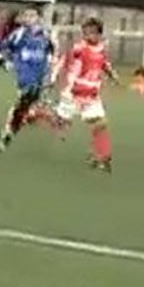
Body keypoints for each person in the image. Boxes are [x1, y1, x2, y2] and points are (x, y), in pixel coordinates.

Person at [52, 17, 120, 172]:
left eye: (92, 33)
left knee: (100, 124)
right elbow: (63, 61)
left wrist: (112, 75)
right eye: (86, 32)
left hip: (91, 94)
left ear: (98, 34)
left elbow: (103, 63)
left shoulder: (101, 49)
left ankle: (102, 157)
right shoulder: (79, 49)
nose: (88, 36)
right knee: (61, 122)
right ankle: (34, 115)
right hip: (73, 93)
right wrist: (53, 77)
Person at [0, 7, 57, 152]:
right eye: (27, 16)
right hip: (24, 74)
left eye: (33, 16)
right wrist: (5, 61)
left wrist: (51, 66)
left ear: (38, 18)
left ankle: (10, 130)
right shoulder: (19, 34)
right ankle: (17, 122)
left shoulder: (45, 35)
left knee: (26, 107)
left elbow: (52, 51)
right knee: (27, 97)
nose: (30, 19)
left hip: (39, 75)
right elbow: (5, 48)